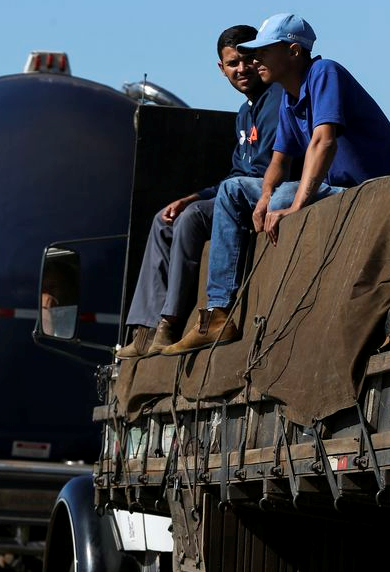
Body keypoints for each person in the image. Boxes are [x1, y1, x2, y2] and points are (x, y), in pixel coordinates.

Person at [163, 13, 390, 355]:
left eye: (263, 50)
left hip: (372, 191)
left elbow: (323, 143)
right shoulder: (289, 98)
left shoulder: (325, 73)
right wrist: (264, 198)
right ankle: (218, 312)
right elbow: (279, 162)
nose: (255, 59)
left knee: (284, 196)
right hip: (337, 192)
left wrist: (293, 207)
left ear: (294, 52)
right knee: (234, 190)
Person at [116, 24, 284, 359]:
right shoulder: (244, 113)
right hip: (235, 193)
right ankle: (145, 330)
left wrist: (200, 203)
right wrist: (194, 195)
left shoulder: (277, 100)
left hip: (265, 193)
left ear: (260, 58)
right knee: (165, 218)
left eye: (248, 59)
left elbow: (267, 171)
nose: (242, 69)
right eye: (233, 63)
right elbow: (238, 173)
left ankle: (171, 321)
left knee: (191, 219)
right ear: (221, 69)